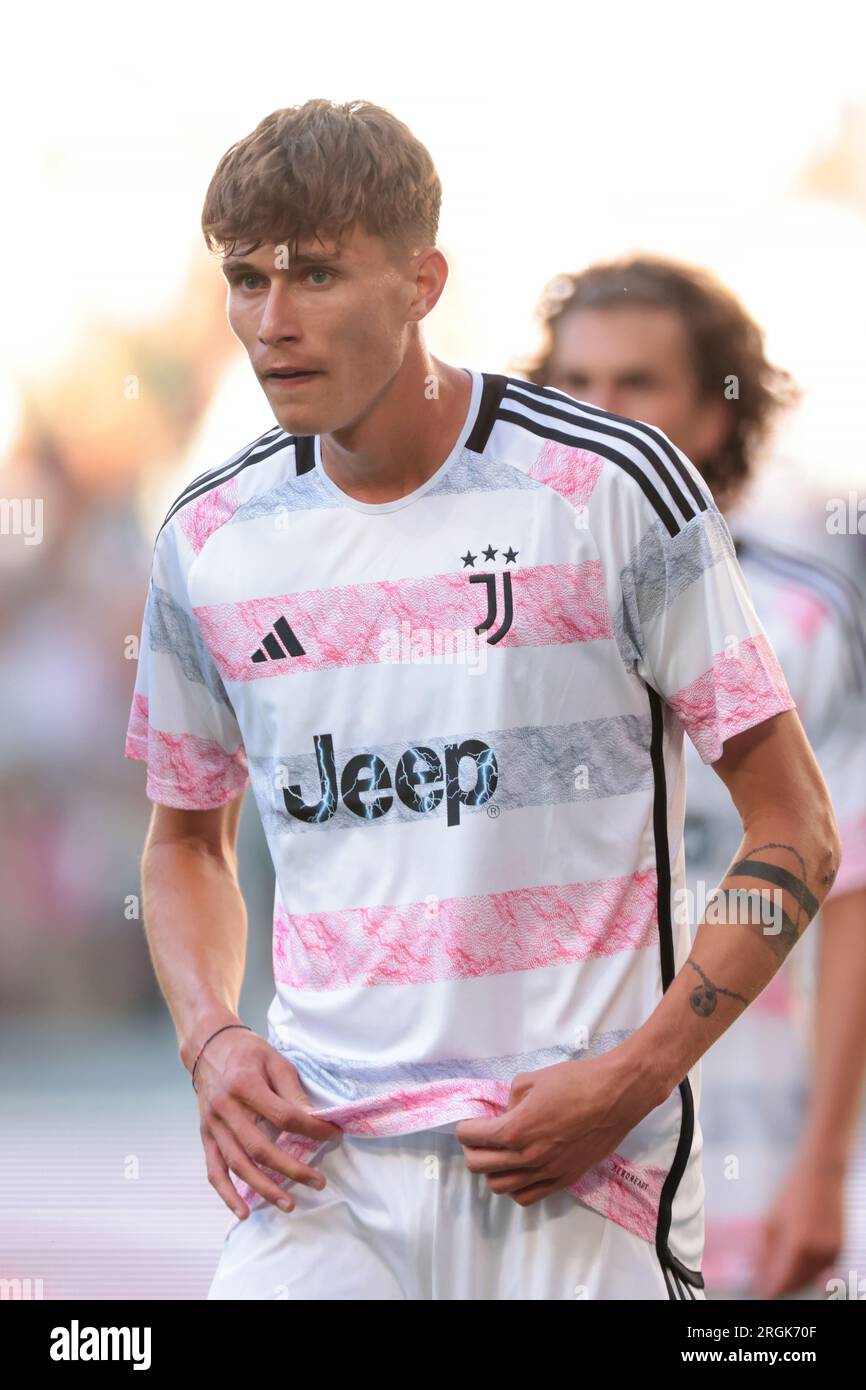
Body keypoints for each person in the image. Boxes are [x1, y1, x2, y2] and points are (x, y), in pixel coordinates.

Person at [124, 100, 841, 1301]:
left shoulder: (607, 486)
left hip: (577, 1175)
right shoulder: (208, 537)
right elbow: (184, 841)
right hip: (319, 1174)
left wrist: (630, 1077)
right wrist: (212, 1036)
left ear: (421, 281)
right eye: (245, 281)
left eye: (313, 275)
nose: (271, 321)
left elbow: (798, 831)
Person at [521, 252, 866, 1298]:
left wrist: (821, 1166)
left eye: (636, 384)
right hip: (545, 1141)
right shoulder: (488, 613)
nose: (600, 413)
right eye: (573, 386)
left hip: (746, 1139)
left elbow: (845, 900)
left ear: (713, 416)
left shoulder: (803, 616)